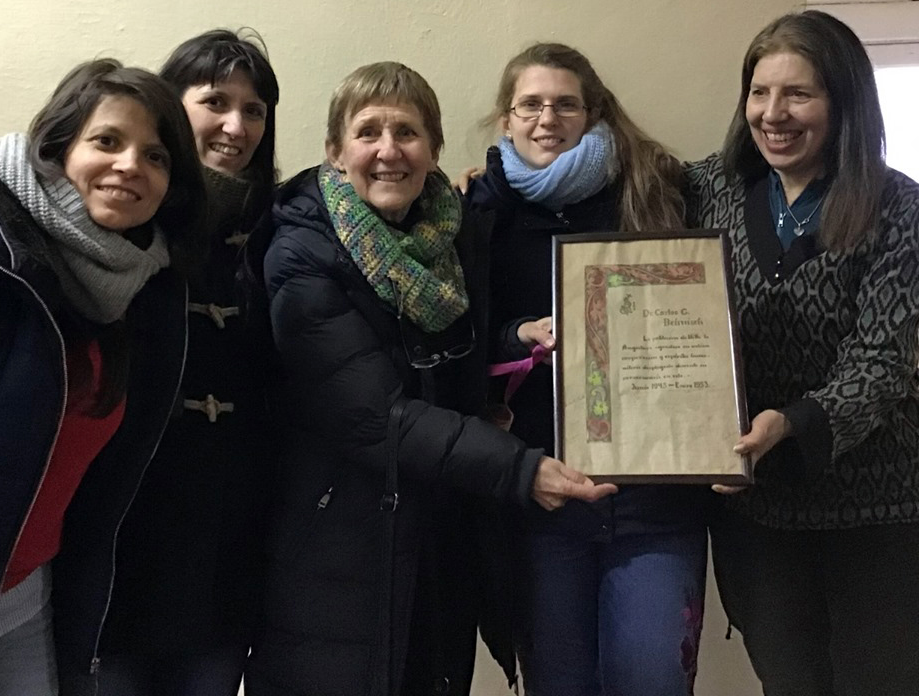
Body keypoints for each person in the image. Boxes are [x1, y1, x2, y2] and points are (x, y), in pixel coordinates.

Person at [242, 60, 616, 696]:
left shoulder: (454, 235)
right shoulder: (301, 253)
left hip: (438, 539)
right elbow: (375, 416)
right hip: (339, 547)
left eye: (408, 132)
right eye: (368, 132)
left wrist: (511, 346)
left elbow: (449, 357)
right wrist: (519, 469)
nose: (389, 151)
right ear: (335, 151)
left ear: (434, 149)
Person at [462, 42, 709, 696]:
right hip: (541, 498)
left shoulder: (655, 190)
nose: (548, 119)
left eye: (565, 104)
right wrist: (517, 334)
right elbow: (455, 340)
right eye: (530, 105)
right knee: (558, 683)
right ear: (506, 119)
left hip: (654, 495)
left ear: (593, 113)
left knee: (652, 680)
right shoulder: (476, 212)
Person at [685, 10, 919, 695]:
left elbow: (881, 360)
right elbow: (613, 182)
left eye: (798, 94)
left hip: (877, 511)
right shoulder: (710, 189)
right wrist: (489, 188)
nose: (773, 114)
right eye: (759, 92)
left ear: (843, 102)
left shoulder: (899, 207)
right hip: (756, 515)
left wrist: (791, 425)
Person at [0, 59, 206, 696]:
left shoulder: (139, 289)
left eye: (155, 156)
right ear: (57, 148)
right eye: (107, 141)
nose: (130, 165)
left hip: (27, 599)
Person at [94, 29, 280, 696]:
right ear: (169, 106)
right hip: (122, 544)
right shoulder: (119, 219)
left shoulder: (280, 228)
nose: (237, 126)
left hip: (228, 549)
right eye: (215, 102)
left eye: (254, 110)